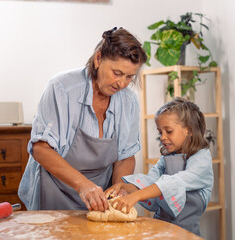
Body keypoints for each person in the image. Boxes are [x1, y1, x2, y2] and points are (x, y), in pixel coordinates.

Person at [18, 27, 147, 212]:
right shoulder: (62, 88)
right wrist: (84, 186)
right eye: (117, 73)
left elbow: (125, 157)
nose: (122, 83)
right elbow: (41, 149)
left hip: (100, 197)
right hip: (55, 190)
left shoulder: (128, 100)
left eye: (129, 77)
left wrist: (117, 191)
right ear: (98, 59)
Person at [105, 97, 213, 236]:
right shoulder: (166, 158)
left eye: (168, 131)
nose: (162, 137)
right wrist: (123, 187)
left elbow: (175, 182)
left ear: (189, 130)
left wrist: (136, 196)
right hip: (159, 228)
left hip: (186, 233)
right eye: (160, 132)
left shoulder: (201, 159)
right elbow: (150, 181)